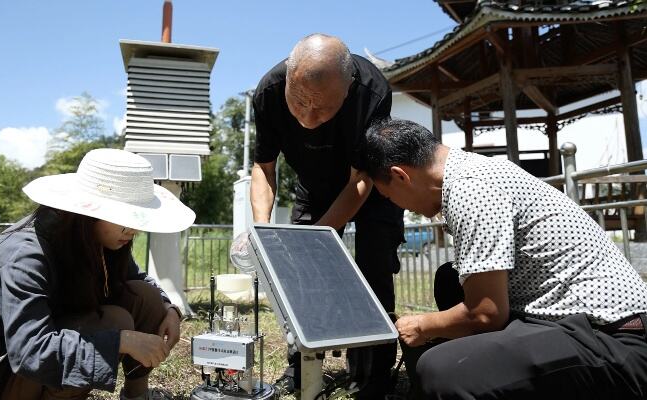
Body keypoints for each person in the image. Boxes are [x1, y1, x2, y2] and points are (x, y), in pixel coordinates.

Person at [363, 118, 647, 399]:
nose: (396, 205)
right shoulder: (471, 170)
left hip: (615, 341)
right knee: (450, 280)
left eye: (389, 197)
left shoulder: (471, 189)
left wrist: (421, 325)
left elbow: (486, 314)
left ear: (401, 175)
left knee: (439, 370)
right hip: (572, 322)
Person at [0, 148, 196, 400]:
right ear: (90, 212)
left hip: (46, 341)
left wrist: (169, 308)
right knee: (113, 323)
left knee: (145, 296)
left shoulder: (98, 239)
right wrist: (121, 341)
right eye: (125, 217)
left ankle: (136, 395)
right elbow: (30, 351)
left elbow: (140, 280)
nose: (133, 229)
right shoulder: (24, 255)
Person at [250, 33, 404, 398]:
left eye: (322, 108)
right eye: (299, 101)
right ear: (288, 78)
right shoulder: (268, 92)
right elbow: (264, 166)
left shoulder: (372, 91)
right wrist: (262, 231)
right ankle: (301, 367)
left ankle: (375, 375)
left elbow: (361, 180)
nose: (307, 116)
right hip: (313, 187)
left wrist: (318, 237)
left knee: (374, 270)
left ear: (347, 90)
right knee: (303, 277)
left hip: (371, 184)